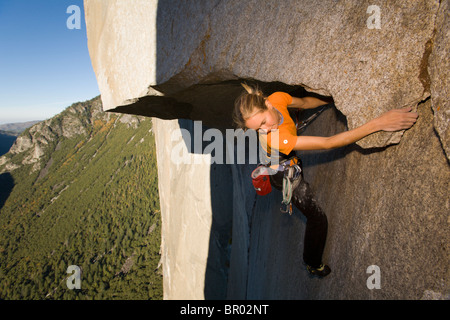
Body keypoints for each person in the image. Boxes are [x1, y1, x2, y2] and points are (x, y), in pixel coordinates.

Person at [233, 83, 418, 277]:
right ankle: (312, 263)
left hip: (286, 153)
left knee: (295, 160)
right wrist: (379, 123)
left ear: (268, 103)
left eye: (263, 122)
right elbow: (328, 143)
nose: (265, 130)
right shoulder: (275, 138)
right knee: (317, 218)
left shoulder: (279, 98)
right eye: (258, 129)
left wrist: (331, 99)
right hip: (281, 172)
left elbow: (304, 103)